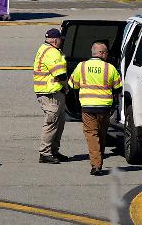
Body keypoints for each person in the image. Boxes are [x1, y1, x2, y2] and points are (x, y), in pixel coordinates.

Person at [68, 42, 122, 175]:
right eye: (106, 53)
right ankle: (99, 160)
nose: (107, 55)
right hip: (104, 108)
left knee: (91, 135)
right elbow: (118, 88)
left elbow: (73, 85)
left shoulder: (82, 66)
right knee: (102, 134)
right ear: (102, 53)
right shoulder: (110, 68)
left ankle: (96, 165)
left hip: (88, 107)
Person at [33, 28, 69, 164]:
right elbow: (60, 75)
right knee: (52, 123)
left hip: (51, 92)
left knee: (58, 123)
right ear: (55, 40)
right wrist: (67, 86)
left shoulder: (44, 48)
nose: (61, 42)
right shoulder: (52, 52)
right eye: (60, 39)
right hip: (50, 94)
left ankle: (53, 151)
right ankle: (45, 153)